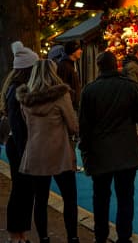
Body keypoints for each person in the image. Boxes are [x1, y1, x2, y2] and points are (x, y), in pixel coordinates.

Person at [79, 52, 138, 243]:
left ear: (98, 67)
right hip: (126, 149)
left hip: (100, 151)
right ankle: (124, 236)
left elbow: (84, 125)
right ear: (117, 65)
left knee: (101, 197)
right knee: (125, 196)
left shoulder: (89, 91)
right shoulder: (130, 87)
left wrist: (86, 149)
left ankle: (100, 235)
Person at [16, 59, 79, 243]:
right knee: (69, 198)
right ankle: (73, 237)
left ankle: (43, 237)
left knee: (41, 199)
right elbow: (73, 126)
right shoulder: (61, 96)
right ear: (54, 73)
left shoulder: (25, 99)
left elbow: (26, 124)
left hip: (35, 153)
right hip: (60, 154)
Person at [2, 41, 39, 243]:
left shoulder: (13, 88)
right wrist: (27, 149)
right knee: (22, 190)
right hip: (20, 147)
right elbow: (18, 126)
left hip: (18, 146)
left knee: (23, 190)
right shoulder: (18, 91)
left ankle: (19, 233)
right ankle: (17, 233)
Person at [56, 41, 83, 112]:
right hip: (69, 106)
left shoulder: (71, 65)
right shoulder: (64, 66)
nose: (81, 51)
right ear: (73, 51)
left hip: (73, 105)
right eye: (78, 49)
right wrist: (73, 99)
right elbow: (62, 86)